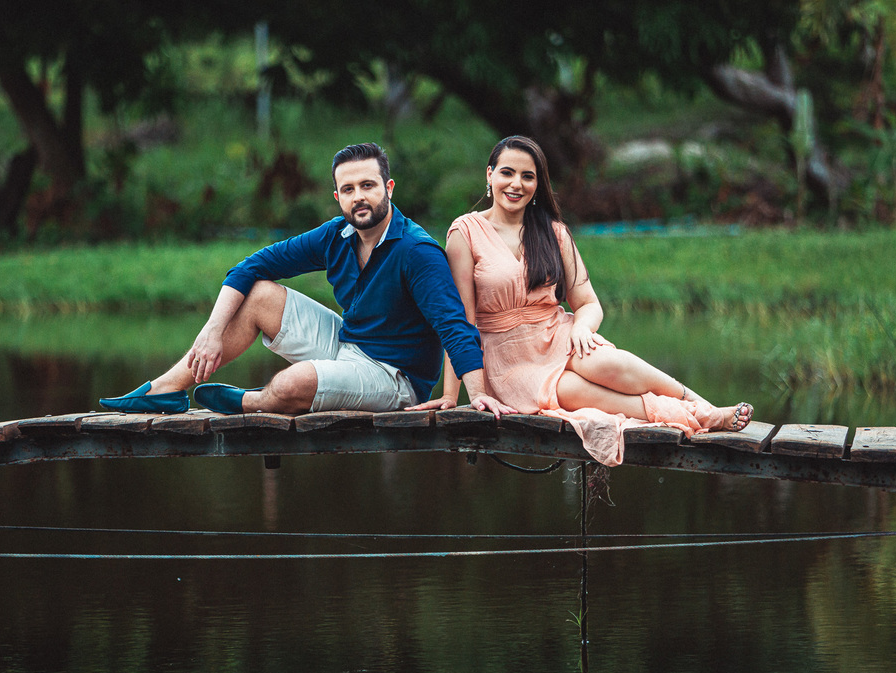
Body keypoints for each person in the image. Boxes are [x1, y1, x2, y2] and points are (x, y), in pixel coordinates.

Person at [100, 142, 512, 418]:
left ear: (388, 188)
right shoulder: (337, 235)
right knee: (260, 295)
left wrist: (477, 396)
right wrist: (210, 330)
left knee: (293, 382)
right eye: (348, 189)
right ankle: (165, 390)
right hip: (349, 345)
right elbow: (249, 267)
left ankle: (250, 401)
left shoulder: (416, 252)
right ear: (337, 197)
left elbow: (454, 326)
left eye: (368, 185)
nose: (358, 197)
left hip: (395, 378)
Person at [408, 135, 752, 466]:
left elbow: (587, 302)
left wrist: (581, 329)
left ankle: (703, 405)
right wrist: (452, 395)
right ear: (490, 174)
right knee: (578, 391)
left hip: (558, 334)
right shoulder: (465, 232)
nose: (516, 184)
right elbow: (460, 321)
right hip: (507, 358)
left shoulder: (553, 231)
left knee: (614, 365)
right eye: (507, 173)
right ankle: (703, 417)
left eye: (528, 176)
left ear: (538, 184)